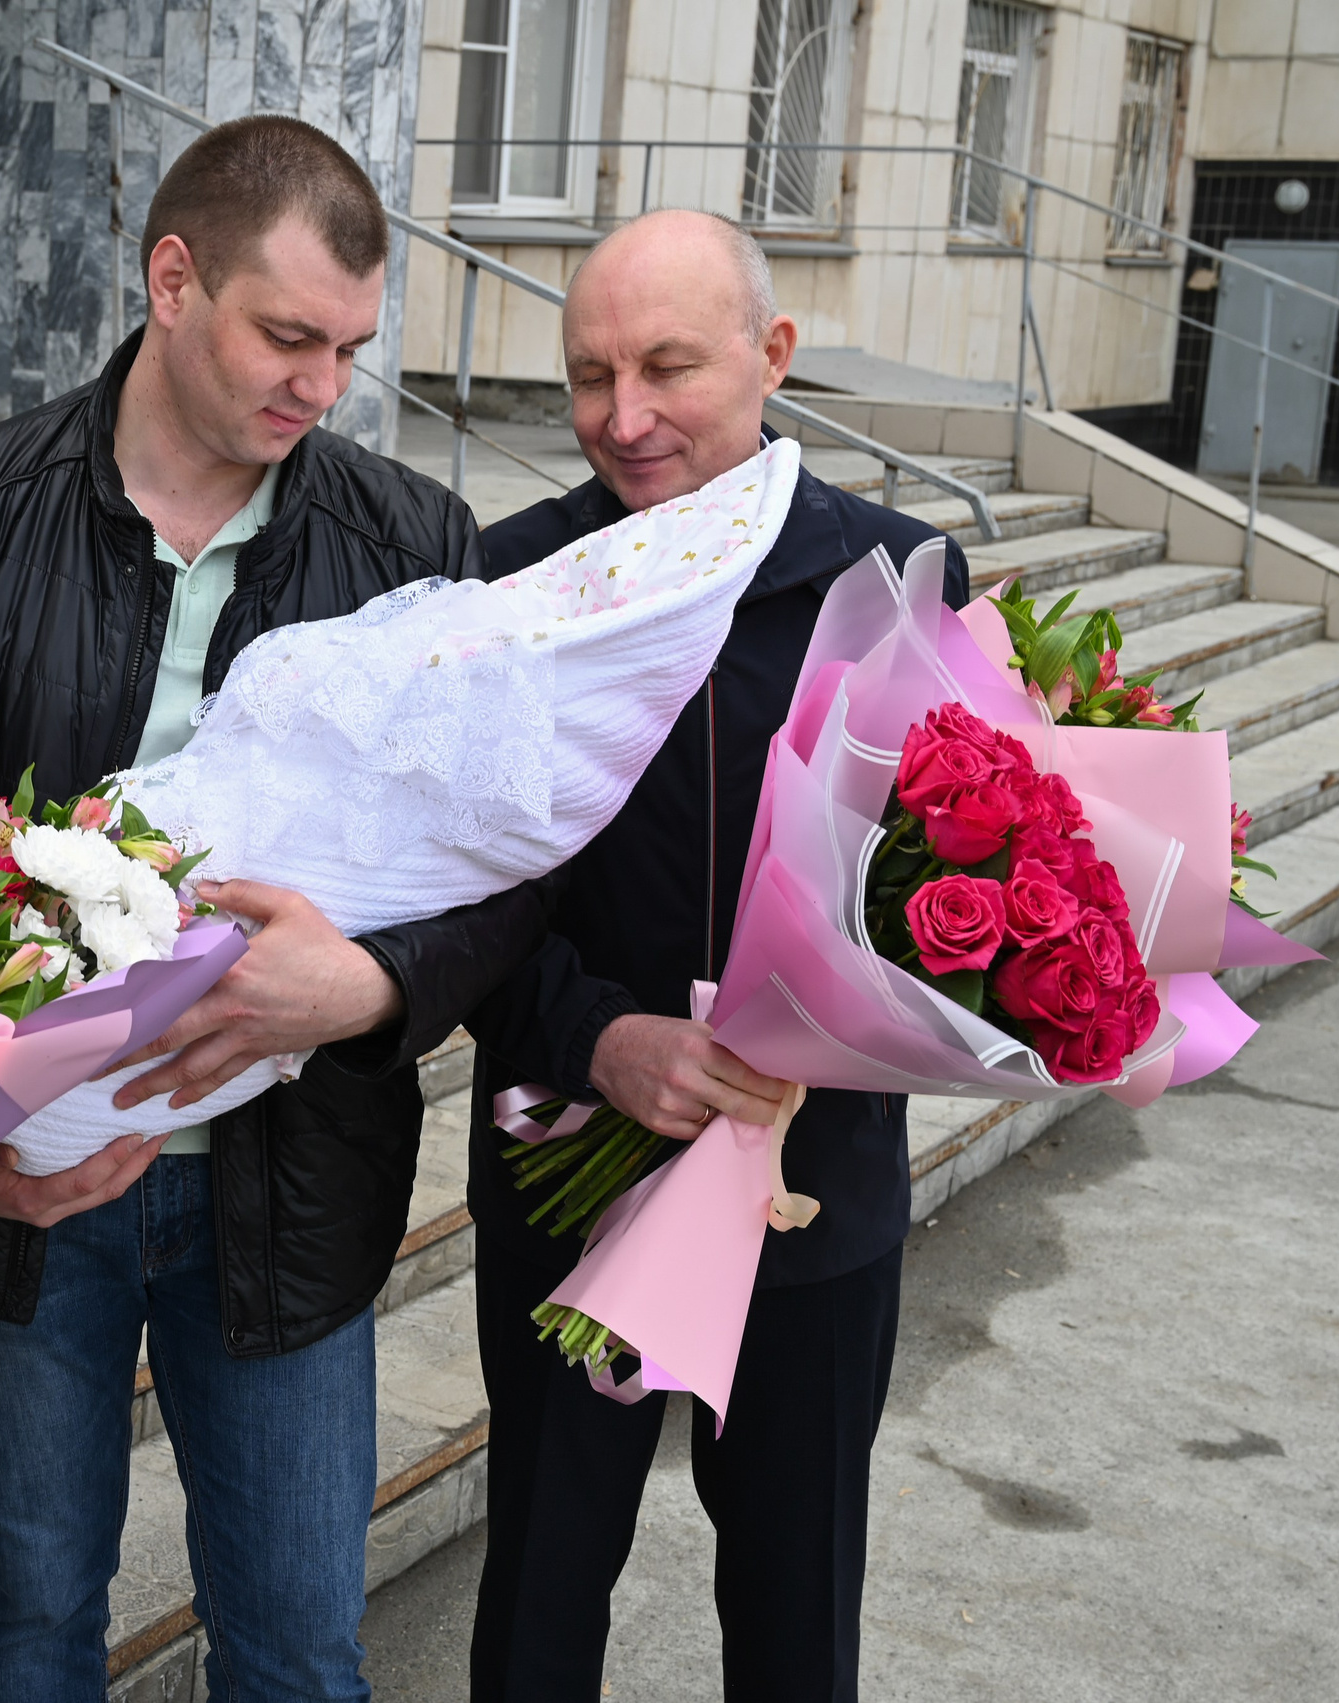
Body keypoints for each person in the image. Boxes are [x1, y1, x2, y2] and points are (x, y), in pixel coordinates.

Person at [0, 116, 537, 1700]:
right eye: (286, 336)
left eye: (347, 349)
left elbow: (507, 879)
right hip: (27, 1202)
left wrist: (379, 986)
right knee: (34, 1619)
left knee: (294, 1648)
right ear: (172, 280)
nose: (319, 387)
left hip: (292, 1189)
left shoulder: (415, 545)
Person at [464, 208, 971, 1702]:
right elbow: (455, 895)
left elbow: (972, 876)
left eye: (668, 367)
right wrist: (589, 1034)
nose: (624, 418)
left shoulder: (896, 581)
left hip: (812, 1196)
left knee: (798, 1607)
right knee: (542, 1598)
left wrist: (880, 1020)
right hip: (571, 1171)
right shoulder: (511, 582)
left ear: (774, 354)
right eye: (588, 374)